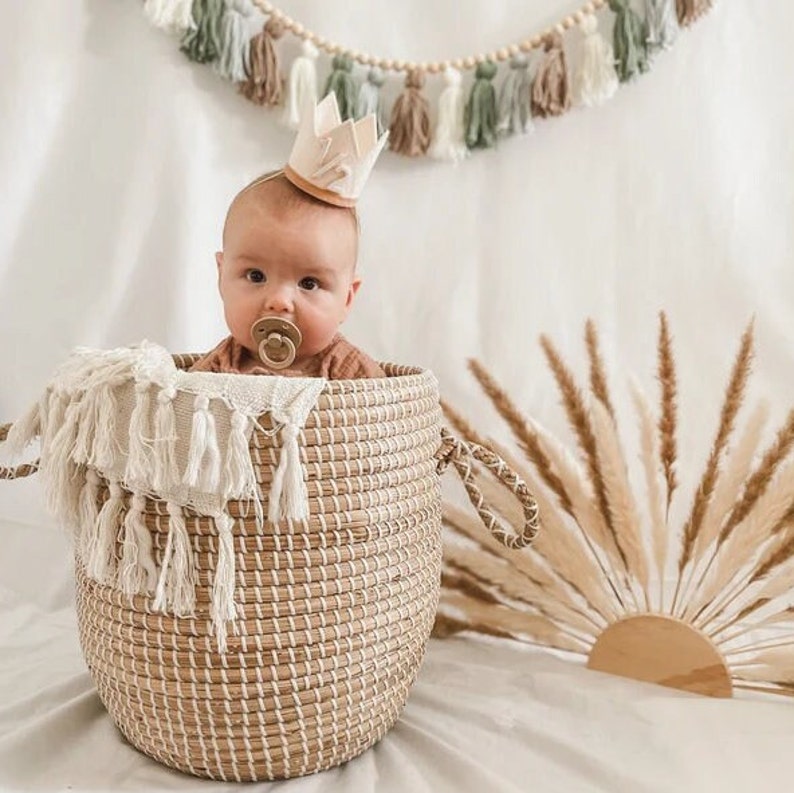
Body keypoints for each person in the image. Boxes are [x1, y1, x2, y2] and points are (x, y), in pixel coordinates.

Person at [191, 93, 388, 379]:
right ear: (221, 276)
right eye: (255, 276)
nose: (279, 301)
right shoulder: (214, 370)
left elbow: (392, 421)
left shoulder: (351, 373)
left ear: (346, 299)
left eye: (309, 283)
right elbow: (177, 418)